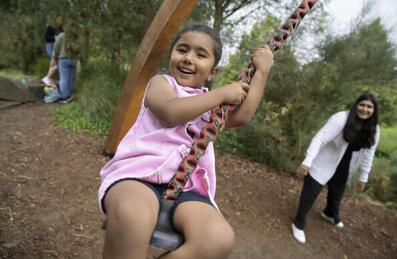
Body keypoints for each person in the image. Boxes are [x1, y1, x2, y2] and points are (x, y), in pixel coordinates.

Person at [99, 24, 274, 259]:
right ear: (172, 56)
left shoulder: (211, 103)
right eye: (182, 50)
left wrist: (261, 72)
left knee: (218, 238)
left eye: (200, 55)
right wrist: (221, 94)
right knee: (133, 215)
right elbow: (170, 112)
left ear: (212, 72)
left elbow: (241, 116)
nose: (189, 58)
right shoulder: (161, 84)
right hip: (138, 175)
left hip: (188, 187)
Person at [291, 92, 380, 244]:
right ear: (356, 105)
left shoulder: (374, 129)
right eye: (362, 105)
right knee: (311, 191)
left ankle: (330, 213)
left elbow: (369, 154)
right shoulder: (341, 119)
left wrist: (363, 177)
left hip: (345, 164)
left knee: (337, 192)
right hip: (324, 160)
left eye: (369, 107)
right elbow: (320, 138)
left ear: (374, 110)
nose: (365, 109)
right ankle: (298, 223)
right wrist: (308, 160)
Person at [43, 24, 79, 103]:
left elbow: (56, 48)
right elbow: (79, 48)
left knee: (64, 78)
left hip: (63, 59)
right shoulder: (75, 37)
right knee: (71, 78)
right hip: (73, 59)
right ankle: (69, 95)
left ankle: (64, 97)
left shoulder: (61, 36)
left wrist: (54, 57)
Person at [42, 15, 63, 88]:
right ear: (55, 19)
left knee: (57, 63)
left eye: (61, 19)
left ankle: (49, 77)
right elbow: (46, 37)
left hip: (59, 47)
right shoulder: (50, 27)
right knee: (56, 62)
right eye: (59, 19)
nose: (60, 21)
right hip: (51, 45)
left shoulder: (62, 28)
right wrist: (55, 38)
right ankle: (48, 77)